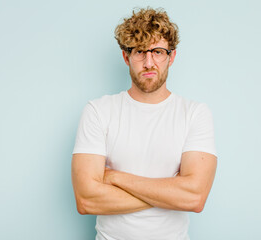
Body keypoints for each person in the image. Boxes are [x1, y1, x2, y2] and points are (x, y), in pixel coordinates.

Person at [71, 7, 217, 240]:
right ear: (126, 56)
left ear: (172, 56)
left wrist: (115, 178)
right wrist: (170, 193)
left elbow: (195, 198)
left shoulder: (194, 113)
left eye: (158, 51)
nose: (149, 62)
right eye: (140, 51)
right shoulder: (98, 111)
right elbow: (86, 200)